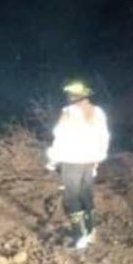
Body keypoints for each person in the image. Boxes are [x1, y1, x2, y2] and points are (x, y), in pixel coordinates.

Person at [46, 81, 110, 250]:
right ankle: (90, 231)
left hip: (71, 161)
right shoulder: (98, 112)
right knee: (86, 196)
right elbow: (104, 138)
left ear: (73, 96)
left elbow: (60, 137)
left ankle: (80, 234)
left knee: (71, 199)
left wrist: (52, 161)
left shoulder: (67, 112)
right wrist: (97, 161)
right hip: (89, 161)